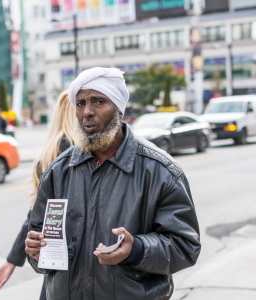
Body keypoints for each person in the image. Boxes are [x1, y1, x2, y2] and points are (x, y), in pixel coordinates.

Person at [25, 67, 201, 299]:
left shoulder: (160, 171)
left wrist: (136, 250)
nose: (87, 111)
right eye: (80, 104)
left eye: (98, 102)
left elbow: (185, 246)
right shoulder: (59, 171)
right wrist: (36, 252)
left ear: (119, 109)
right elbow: (39, 236)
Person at [0, 91, 78, 297]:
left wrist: (12, 260)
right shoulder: (73, 150)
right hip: (73, 257)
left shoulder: (46, 152)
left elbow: (34, 214)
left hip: (55, 258)